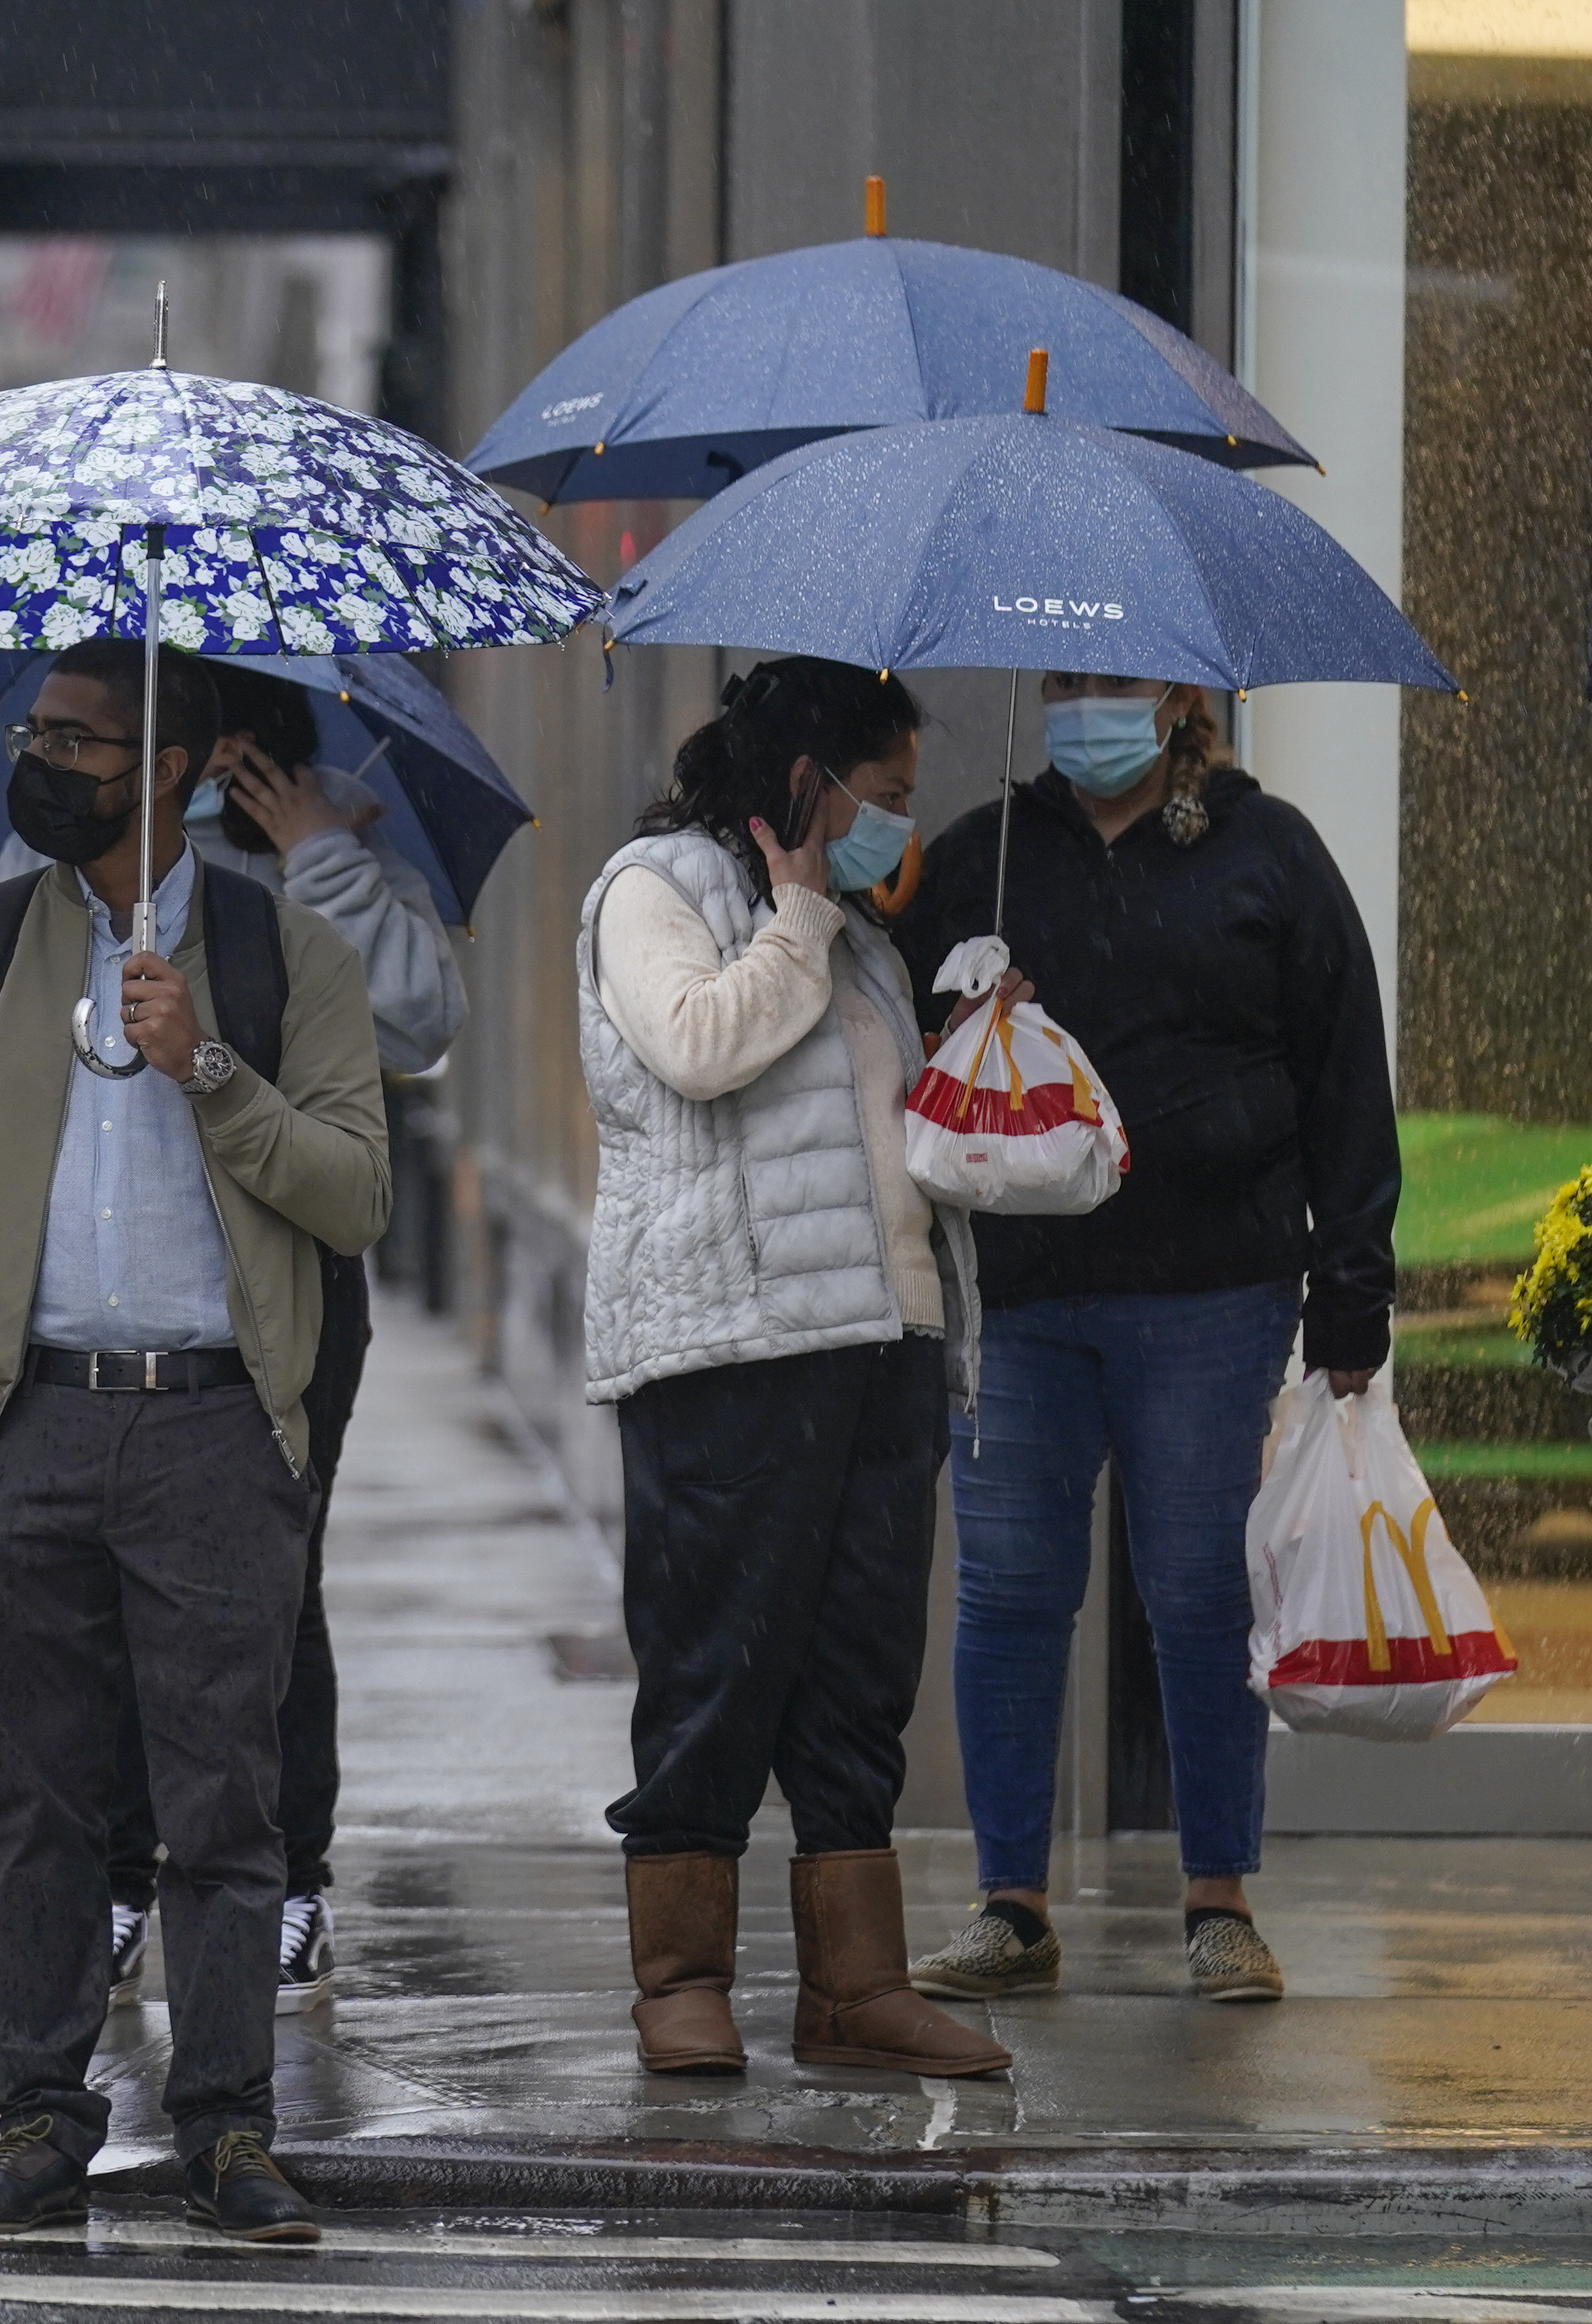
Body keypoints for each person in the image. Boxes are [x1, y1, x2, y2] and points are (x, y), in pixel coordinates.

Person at [0, 638, 389, 2244]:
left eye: (82, 740)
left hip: (214, 1435)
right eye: (39, 733)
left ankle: (225, 2132)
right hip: (15, 1429)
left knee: (219, 1808)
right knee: (32, 1809)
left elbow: (353, 1193)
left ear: (169, 764)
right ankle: (36, 2119)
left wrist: (208, 1069)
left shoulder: (279, 951)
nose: (48, 763)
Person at [894, 673, 1397, 2008]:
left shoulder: (1267, 850)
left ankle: (1216, 1898)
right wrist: (956, 1010)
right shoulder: (982, 858)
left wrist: (1351, 1292)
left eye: (1110, 685)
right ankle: (1008, 1901)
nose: (1082, 708)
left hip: (1211, 1293)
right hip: (1016, 1293)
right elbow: (886, 1039)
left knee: (1196, 1593)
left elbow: (1345, 1070)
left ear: (1177, 698)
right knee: (1004, 1592)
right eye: (1062, 685)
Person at [0, 665, 464, 2016]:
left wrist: (317, 856)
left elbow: (414, 1024)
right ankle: (123, 1872)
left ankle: (284, 1874)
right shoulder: (62, 871)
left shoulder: (325, 878)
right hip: (91, 1298)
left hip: (285, 1291)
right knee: (100, 1605)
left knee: (265, 1592)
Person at [576, 655, 1008, 2082]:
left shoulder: (862, 937)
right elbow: (698, 1047)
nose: (901, 821)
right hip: (728, 1350)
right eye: (882, 793)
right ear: (806, 778)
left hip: (881, 1347)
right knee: (715, 1661)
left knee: (855, 1672)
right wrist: (804, 917)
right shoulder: (653, 889)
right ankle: (680, 1978)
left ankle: (854, 1984)